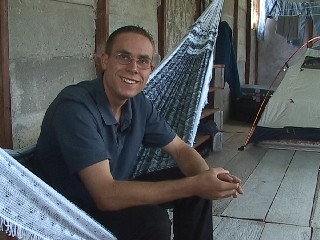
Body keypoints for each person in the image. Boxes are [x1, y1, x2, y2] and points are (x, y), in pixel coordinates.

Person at [35, 25, 243, 240]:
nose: (134, 68)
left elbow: (180, 150)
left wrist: (208, 179)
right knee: (153, 221)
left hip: (111, 191)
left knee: (194, 179)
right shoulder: (75, 107)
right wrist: (195, 184)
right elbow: (105, 195)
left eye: (142, 61)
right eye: (124, 57)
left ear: (149, 70)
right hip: (70, 210)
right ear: (105, 60)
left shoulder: (138, 104)